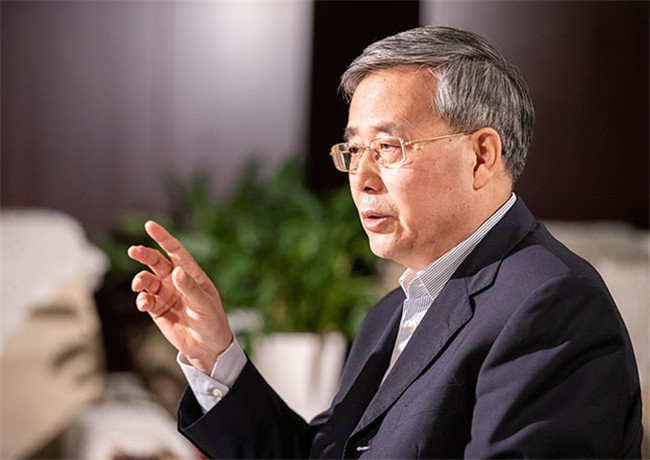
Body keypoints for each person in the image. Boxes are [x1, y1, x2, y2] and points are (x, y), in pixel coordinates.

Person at [127, 26, 643, 458]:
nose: (362, 178)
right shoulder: (389, 313)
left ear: (482, 156)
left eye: (389, 147)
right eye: (354, 150)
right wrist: (215, 354)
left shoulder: (552, 304)